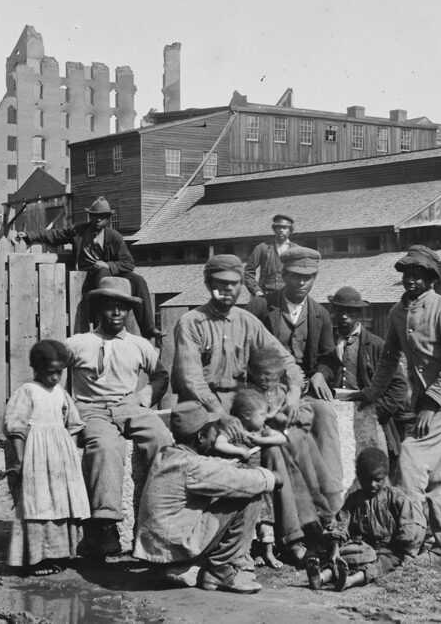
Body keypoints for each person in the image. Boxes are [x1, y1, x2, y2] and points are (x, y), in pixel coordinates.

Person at [171, 254, 320, 562]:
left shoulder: (247, 321)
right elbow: (192, 380)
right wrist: (221, 415)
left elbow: (285, 360)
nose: (228, 290)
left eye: (234, 284)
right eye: (220, 284)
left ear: (242, 286)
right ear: (208, 284)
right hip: (203, 409)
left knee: (277, 447)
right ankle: (227, 545)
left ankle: (293, 537)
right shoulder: (191, 322)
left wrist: (293, 390)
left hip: (240, 405)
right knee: (232, 453)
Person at [355, 245, 441, 569]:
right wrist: (369, 393)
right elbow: (389, 359)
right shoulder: (397, 313)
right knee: (440, 476)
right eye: (406, 274)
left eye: (417, 275)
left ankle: (409, 544)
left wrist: (430, 405)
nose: (410, 280)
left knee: (410, 457)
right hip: (429, 402)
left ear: (431, 279)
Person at [66, 276, 172, 559]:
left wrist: (143, 396)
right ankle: (106, 526)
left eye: (122, 308)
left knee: (162, 439)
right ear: (99, 309)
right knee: (104, 447)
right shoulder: (78, 342)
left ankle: (159, 517)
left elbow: (161, 376)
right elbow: (50, 373)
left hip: (129, 406)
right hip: (92, 408)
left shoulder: (139, 345)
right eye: (110, 307)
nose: (116, 313)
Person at [133, 401, 282, 594]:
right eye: (214, 431)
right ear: (201, 436)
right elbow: (238, 481)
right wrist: (271, 477)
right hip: (175, 549)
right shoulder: (191, 466)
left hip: (158, 551)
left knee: (238, 485)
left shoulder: (168, 455)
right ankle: (220, 569)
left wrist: (233, 464)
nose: (216, 436)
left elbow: (212, 466)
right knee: (250, 492)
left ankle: (192, 567)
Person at [249, 246, 343, 512]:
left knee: (325, 414)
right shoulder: (260, 307)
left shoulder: (320, 314)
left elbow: (328, 357)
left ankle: (333, 497)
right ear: (284, 274)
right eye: (296, 276)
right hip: (268, 388)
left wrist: (319, 374)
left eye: (309, 277)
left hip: (304, 389)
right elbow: (246, 351)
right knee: (279, 429)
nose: (302, 283)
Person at [1, 339, 90, 576]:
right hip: (36, 457)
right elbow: (15, 428)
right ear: (36, 369)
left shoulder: (60, 392)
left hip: (60, 457)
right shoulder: (27, 391)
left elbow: (73, 423)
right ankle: (37, 558)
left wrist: (70, 455)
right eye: (50, 372)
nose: (54, 378)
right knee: (38, 503)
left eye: (59, 372)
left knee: (61, 502)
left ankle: (62, 554)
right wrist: (19, 461)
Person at [15, 196, 158, 341]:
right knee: (101, 273)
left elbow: (128, 263)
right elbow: (56, 235)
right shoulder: (80, 231)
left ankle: (149, 329)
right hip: (88, 276)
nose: (97, 220)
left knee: (138, 280)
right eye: (94, 217)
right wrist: (29, 236)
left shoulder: (114, 237)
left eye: (101, 217)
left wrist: (108, 265)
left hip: (112, 273)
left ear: (108, 218)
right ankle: (101, 325)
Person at [305, 448, 423, 591]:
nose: (372, 485)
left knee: (381, 564)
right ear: (359, 477)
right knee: (343, 557)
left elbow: (409, 527)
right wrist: (335, 549)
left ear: (385, 476)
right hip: (362, 545)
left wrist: (404, 550)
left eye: (378, 480)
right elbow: (341, 523)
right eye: (367, 480)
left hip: (388, 549)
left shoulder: (396, 498)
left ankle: (349, 580)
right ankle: (321, 577)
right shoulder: (355, 499)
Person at [326, 286, 409, 475]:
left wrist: (377, 410)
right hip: (334, 417)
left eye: (350, 312)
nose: (344, 317)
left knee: (370, 473)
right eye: (340, 311)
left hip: (368, 415)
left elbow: (399, 386)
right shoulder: (328, 341)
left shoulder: (377, 345)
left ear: (359, 314)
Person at [213, 388, 288, 569]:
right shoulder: (235, 428)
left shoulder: (261, 430)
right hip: (241, 482)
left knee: (265, 516)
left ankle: (268, 552)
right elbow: (219, 443)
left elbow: (281, 438)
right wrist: (239, 450)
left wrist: (262, 441)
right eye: (261, 414)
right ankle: (249, 553)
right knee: (247, 519)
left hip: (259, 481)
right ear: (246, 415)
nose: (265, 418)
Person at [243, 214, 298, 297]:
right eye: (278, 227)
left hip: (289, 296)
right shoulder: (262, 248)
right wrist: (256, 291)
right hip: (265, 295)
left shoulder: (297, 250)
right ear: (274, 229)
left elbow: (303, 274)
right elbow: (248, 272)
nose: (281, 230)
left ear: (290, 230)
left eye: (285, 228)